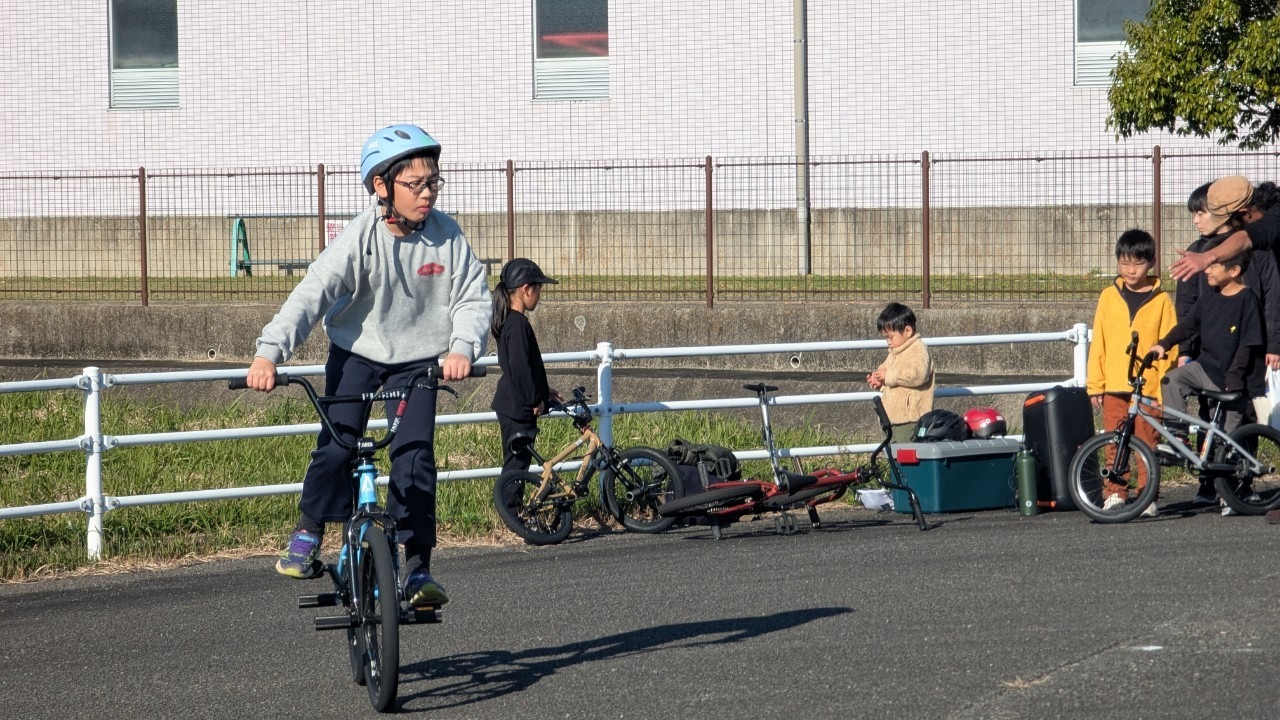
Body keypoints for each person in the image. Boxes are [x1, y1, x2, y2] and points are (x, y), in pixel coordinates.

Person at [246, 124, 491, 608]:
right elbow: (310, 295)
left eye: (434, 182)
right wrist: (268, 353)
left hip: (418, 362)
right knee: (337, 448)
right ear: (382, 186)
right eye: (415, 184)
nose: (427, 193)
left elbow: (472, 298)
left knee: (416, 456)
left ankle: (417, 567)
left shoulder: (447, 236)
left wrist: (463, 347)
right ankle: (309, 531)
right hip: (356, 353)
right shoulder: (360, 237)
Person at [1086, 229, 1179, 516]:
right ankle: (1115, 492)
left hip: (1149, 386)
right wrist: (1095, 385)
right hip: (1114, 382)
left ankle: (1148, 497)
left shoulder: (1162, 300)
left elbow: (1170, 345)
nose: (1130, 269)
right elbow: (1098, 341)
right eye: (1124, 262)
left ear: (1150, 263)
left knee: (1147, 442)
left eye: (1137, 263)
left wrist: (1164, 385)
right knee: (1114, 441)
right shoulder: (1107, 296)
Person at [1150, 251, 1266, 471]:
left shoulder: (1247, 299)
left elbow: (1248, 344)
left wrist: (1234, 376)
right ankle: (1177, 439)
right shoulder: (1210, 296)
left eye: (1214, 266)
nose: (1207, 270)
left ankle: (1230, 495)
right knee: (1172, 380)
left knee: (1226, 441)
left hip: (1233, 378)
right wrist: (1163, 344)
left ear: (1234, 271)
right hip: (1205, 368)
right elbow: (1188, 325)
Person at [490, 258, 562, 477]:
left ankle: (514, 509)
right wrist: (535, 400)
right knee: (516, 467)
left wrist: (542, 390)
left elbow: (520, 368)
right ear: (526, 289)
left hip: (513, 404)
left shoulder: (508, 321)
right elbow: (521, 368)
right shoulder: (518, 324)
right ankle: (512, 510)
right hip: (519, 408)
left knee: (516, 464)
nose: (539, 295)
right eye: (538, 289)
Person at [1170, 176, 1280, 282]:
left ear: (1245, 213)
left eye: (1232, 223)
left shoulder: (1275, 217)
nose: (1234, 229)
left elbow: (1246, 238)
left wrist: (1207, 257)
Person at [865, 302, 934, 443]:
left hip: (910, 419)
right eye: (885, 337)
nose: (888, 342)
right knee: (894, 454)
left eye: (891, 337)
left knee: (906, 453)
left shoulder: (918, 349)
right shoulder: (894, 353)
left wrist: (888, 376)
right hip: (893, 418)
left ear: (907, 331)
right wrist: (879, 380)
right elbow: (886, 373)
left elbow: (917, 374)